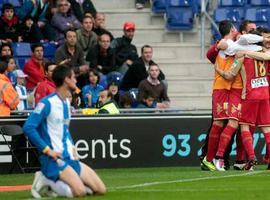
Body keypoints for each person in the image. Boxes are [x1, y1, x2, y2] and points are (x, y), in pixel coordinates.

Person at [23, 64, 106, 198]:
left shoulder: (66, 103)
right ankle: (46, 179)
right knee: (80, 192)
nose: (76, 80)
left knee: (100, 190)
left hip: (69, 157)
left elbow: (64, 130)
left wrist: (73, 147)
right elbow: (28, 127)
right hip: (54, 158)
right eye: (73, 77)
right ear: (66, 80)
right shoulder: (47, 103)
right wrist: (47, 150)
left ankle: (59, 183)